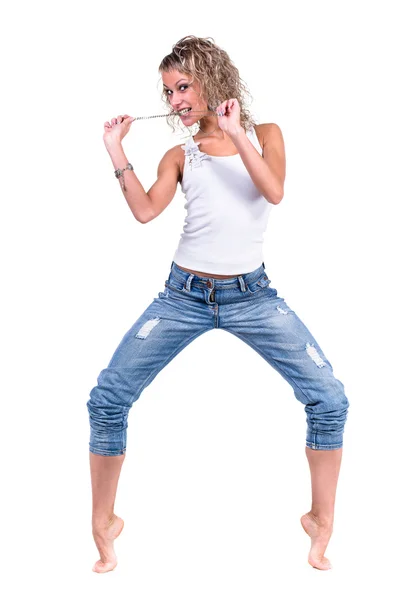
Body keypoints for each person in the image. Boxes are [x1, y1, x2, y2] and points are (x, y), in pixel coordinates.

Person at [87, 35, 349, 574]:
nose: (175, 100)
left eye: (184, 86)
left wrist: (234, 133)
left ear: (212, 79)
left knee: (328, 399)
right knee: (108, 398)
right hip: (183, 296)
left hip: (252, 297)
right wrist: (116, 152)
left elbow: (273, 190)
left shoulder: (265, 134)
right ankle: (103, 522)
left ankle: (321, 522)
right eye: (168, 90)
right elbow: (144, 212)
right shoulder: (179, 154)